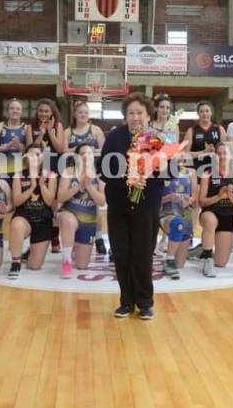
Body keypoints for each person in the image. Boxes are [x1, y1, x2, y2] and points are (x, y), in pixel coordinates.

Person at [100, 93, 168, 320]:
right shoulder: (114, 137)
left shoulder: (157, 139)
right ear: (125, 116)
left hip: (147, 205)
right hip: (119, 203)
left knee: (143, 253)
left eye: (140, 113)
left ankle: (145, 302)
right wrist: (128, 179)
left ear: (148, 115)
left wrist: (154, 172)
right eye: (131, 113)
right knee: (122, 253)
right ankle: (126, 301)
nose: (135, 117)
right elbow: (104, 169)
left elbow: (167, 174)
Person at [7, 144, 57, 279]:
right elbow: (17, 201)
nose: (35, 157)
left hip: (43, 221)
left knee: (34, 266)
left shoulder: (51, 175)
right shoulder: (19, 175)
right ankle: (16, 261)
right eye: (31, 154)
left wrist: (40, 185)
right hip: (25, 218)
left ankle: (29, 253)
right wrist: (32, 187)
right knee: (16, 224)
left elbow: (49, 201)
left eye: (38, 154)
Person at [65, 101, 107, 256]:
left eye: (85, 112)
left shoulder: (95, 129)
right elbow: (63, 150)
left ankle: (99, 237)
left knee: (93, 206)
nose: (83, 115)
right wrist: (81, 148)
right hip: (72, 170)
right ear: (75, 114)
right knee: (71, 204)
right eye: (80, 112)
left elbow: (104, 150)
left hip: (92, 169)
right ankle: (72, 236)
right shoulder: (68, 131)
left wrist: (89, 151)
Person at [198, 142, 233, 277]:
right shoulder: (208, 173)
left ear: (230, 155)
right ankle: (207, 258)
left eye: (225, 153)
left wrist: (229, 194)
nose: (222, 156)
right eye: (219, 153)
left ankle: (202, 248)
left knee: (221, 263)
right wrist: (219, 196)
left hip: (227, 215)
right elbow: (201, 201)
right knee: (211, 222)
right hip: (210, 212)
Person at [27, 98, 65, 253]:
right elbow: (30, 147)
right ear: (37, 112)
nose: (43, 113)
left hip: (53, 165)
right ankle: (35, 241)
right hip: (36, 166)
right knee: (38, 203)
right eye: (41, 111)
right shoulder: (31, 127)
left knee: (53, 204)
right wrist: (41, 134)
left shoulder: (58, 126)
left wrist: (49, 131)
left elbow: (60, 148)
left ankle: (54, 237)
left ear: (52, 113)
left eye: (47, 111)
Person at [159, 161, 198, 280]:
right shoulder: (161, 171)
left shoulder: (191, 173)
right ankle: (168, 261)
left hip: (185, 214)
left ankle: (190, 251)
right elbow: (153, 199)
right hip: (167, 213)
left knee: (180, 264)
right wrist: (168, 198)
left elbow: (195, 200)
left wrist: (189, 200)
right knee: (177, 224)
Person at [183, 100, 227, 174]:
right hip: (196, 168)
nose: (204, 114)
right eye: (202, 111)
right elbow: (185, 154)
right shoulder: (191, 130)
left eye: (207, 111)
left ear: (211, 112)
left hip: (215, 168)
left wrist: (215, 151)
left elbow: (227, 151)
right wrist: (203, 152)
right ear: (198, 113)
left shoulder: (219, 129)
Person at [0, 98, 28, 183]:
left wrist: (19, 146)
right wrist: (5, 147)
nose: (15, 111)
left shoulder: (26, 128)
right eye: (12, 108)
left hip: (20, 169)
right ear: (7, 111)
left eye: (18, 109)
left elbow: (30, 152)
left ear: (22, 112)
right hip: (3, 168)